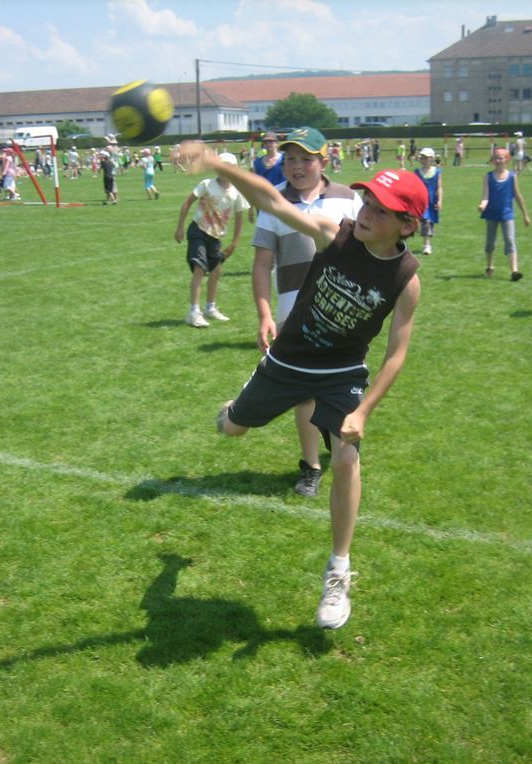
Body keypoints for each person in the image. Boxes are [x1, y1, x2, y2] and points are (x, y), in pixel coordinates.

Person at [180, 140, 427, 630]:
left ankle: (338, 571)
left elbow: (396, 353)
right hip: (288, 361)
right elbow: (271, 202)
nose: (367, 214)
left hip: (341, 373)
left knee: (345, 458)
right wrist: (215, 162)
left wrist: (362, 412)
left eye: (382, 211)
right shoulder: (333, 236)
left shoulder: (405, 278)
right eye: (368, 203)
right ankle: (237, 409)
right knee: (231, 429)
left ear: (407, 225)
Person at [251, 126, 363, 498]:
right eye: (290, 159)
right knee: (304, 395)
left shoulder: (348, 200)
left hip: (343, 318)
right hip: (293, 317)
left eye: (305, 158)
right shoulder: (273, 205)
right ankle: (311, 465)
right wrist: (265, 314)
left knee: (340, 389)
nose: (296, 166)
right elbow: (261, 265)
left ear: (323, 160)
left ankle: (339, 452)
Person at [174, 152, 249, 328]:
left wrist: (235, 242)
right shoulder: (207, 184)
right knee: (199, 268)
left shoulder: (237, 191)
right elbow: (187, 203)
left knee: (216, 271)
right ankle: (193, 312)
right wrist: (179, 227)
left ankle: (210, 308)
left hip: (216, 237)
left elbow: (239, 218)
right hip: (198, 230)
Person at [478, 147, 530, 281]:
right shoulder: (488, 177)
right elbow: (485, 196)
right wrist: (482, 205)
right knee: (490, 242)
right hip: (491, 214)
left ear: (507, 160)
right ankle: (490, 266)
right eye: (496, 157)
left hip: (507, 214)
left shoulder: (512, 176)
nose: (498, 160)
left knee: (510, 240)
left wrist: (525, 214)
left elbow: (518, 196)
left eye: (501, 157)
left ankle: (514, 271)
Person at [414, 147, 443, 256]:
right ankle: (426, 245)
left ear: (431, 158)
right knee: (425, 221)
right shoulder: (417, 172)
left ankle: (428, 238)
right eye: (422, 157)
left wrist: (439, 200)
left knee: (430, 222)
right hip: (422, 201)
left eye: (426, 157)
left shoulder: (437, 171)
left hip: (432, 201)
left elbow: (439, 187)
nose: (424, 159)